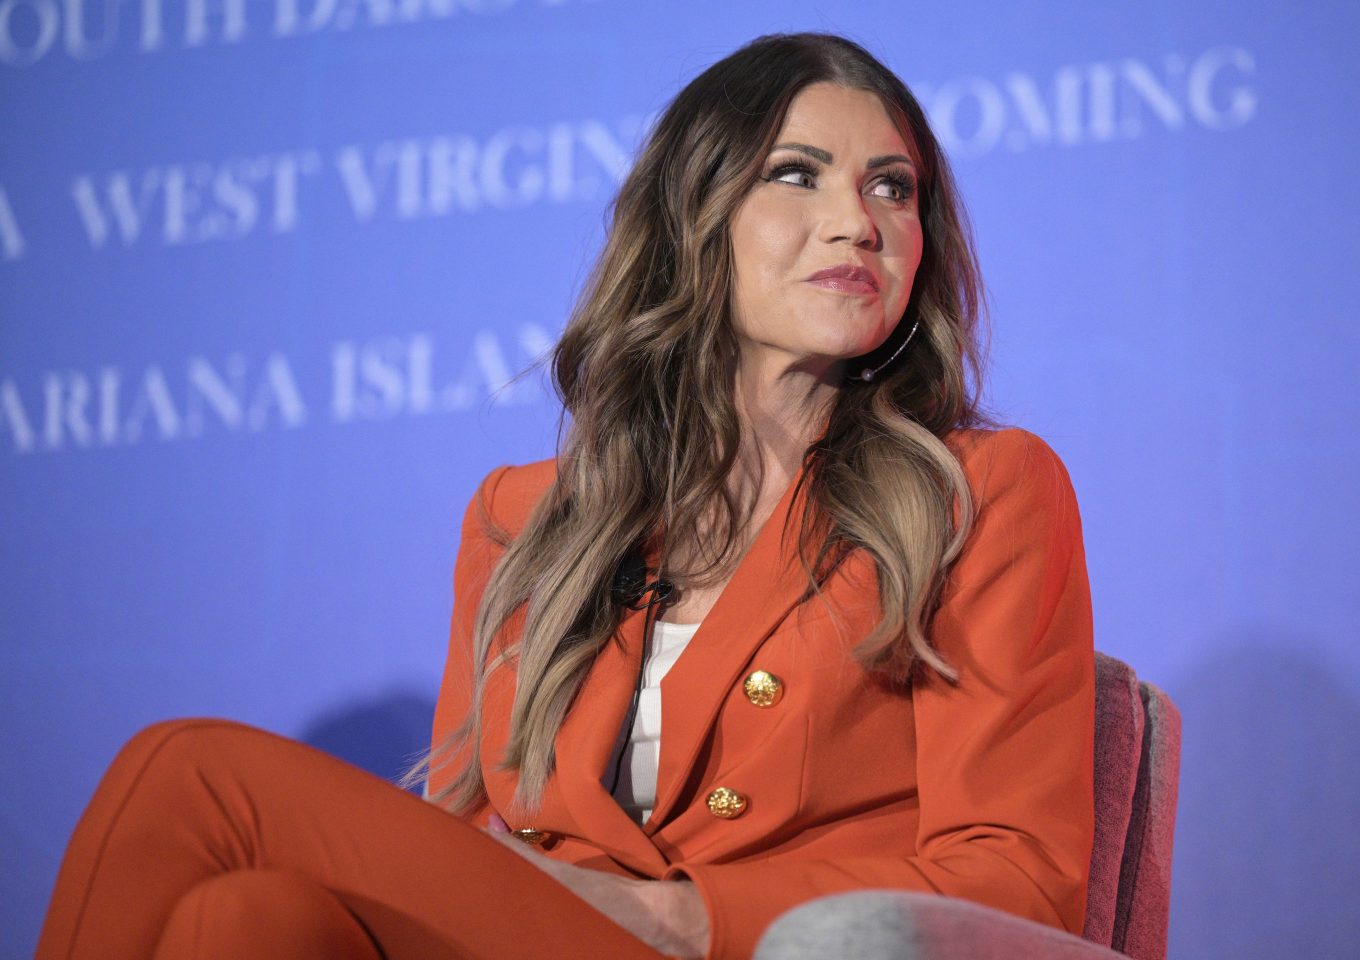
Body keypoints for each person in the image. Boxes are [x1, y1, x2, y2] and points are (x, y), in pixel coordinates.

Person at [35, 30, 1095, 960]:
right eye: (797, 174)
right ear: (695, 216)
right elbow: (458, 834)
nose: (857, 222)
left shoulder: (974, 493)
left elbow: (1021, 881)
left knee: (192, 775)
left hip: (736, 952)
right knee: (246, 921)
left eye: (891, 187)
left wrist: (684, 918)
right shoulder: (526, 517)